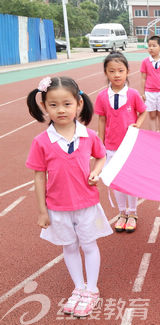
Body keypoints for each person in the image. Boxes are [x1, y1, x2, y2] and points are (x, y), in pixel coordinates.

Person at [26, 76, 112, 318]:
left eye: (66, 103)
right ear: (44, 106)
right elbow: (38, 177)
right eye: (53, 105)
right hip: (57, 207)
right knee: (69, 246)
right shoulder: (41, 141)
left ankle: (91, 289)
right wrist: (42, 211)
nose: (61, 109)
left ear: (79, 104)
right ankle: (79, 287)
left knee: (89, 244)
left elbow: (101, 156)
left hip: (87, 204)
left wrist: (96, 171)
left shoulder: (88, 136)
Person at [95, 51, 147, 233]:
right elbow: (101, 120)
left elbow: (143, 112)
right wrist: (100, 144)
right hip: (111, 147)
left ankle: (132, 213)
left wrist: (137, 125)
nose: (116, 75)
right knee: (116, 181)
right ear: (106, 73)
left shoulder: (132, 94)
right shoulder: (102, 97)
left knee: (130, 180)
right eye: (112, 71)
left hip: (130, 147)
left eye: (120, 70)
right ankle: (122, 213)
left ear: (127, 72)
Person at [140, 35, 160, 132]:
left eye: (154, 46)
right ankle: (153, 136)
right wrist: (143, 93)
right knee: (152, 115)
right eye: (149, 46)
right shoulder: (145, 62)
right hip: (149, 93)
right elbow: (143, 78)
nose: (151, 48)